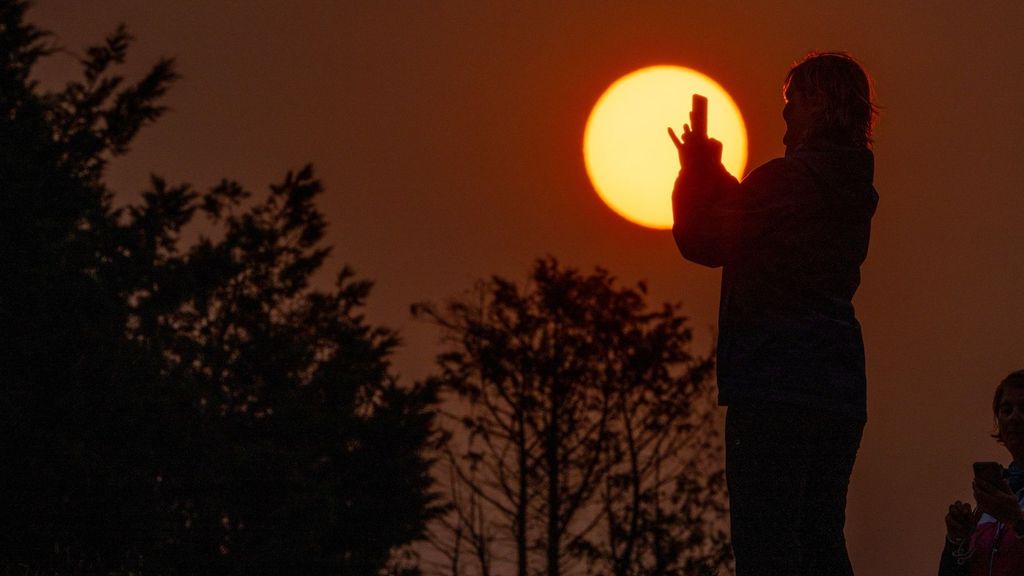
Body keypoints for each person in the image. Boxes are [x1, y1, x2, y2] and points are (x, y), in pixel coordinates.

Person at [668, 52, 879, 576]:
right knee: (819, 537)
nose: (784, 117)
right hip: (836, 387)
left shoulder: (789, 180)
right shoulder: (848, 188)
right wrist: (711, 170)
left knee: (767, 543)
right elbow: (751, 220)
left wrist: (693, 172)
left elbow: (707, 237)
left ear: (817, 103)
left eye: (792, 103)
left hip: (773, 381)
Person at [939, 370, 1024, 576]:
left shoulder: (1002, 503)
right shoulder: (996, 496)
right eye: (1006, 409)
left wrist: (1017, 523)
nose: (1014, 417)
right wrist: (957, 540)